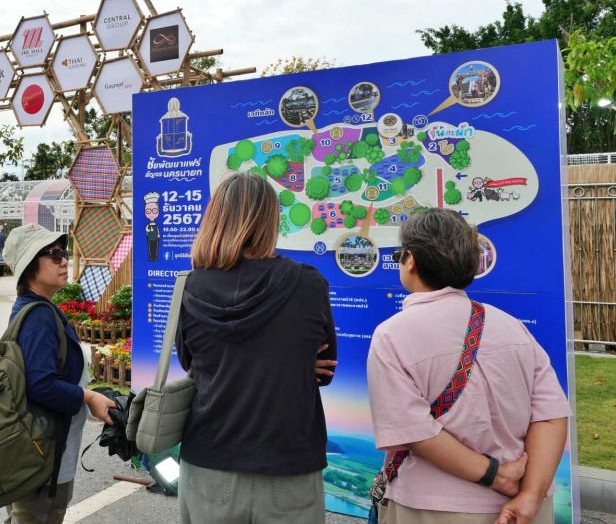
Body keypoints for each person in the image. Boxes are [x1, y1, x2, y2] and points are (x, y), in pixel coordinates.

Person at [367, 209, 570, 524]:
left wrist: (495, 475)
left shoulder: (392, 335)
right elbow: (551, 416)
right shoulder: (513, 327)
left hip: (434, 509)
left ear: (410, 261)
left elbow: (415, 431)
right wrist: (530, 494)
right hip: (524, 509)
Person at [175, 172, 337, 524]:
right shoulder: (308, 284)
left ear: (215, 217)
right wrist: (292, 362)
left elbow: (194, 364)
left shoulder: (189, 288)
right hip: (289, 464)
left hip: (208, 462)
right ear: (270, 220)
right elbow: (326, 369)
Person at [0, 223, 116, 522]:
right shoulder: (39, 317)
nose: (64, 260)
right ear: (29, 267)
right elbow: (40, 386)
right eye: (53, 254)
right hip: (43, 460)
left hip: (35, 454)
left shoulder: (38, 308)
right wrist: (88, 397)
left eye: (63, 253)